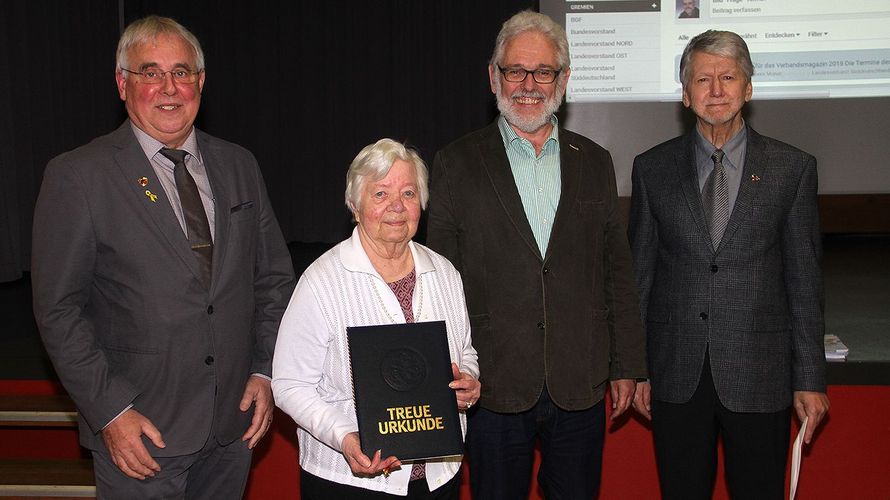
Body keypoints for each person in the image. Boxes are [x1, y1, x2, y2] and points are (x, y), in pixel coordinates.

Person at [31, 15, 295, 497]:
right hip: (141, 431)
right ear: (122, 84)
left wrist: (264, 369)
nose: (169, 87)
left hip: (231, 424)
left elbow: (272, 280)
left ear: (201, 81)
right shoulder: (78, 177)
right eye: (150, 73)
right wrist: (110, 411)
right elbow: (58, 310)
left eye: (182, 72)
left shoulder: (239, 165)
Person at [426, 10, 647, 499]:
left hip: (580, 380)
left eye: (543, 71)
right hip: (492, 384)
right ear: (493, 76)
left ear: (563, 78)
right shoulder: (456, 163)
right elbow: (437, 279)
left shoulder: (595, 162)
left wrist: (627, 364)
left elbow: (617, 272)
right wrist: (447, 365)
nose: (529, 84)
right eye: (514, 71)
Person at [628, 30, 829, 499]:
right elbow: (639, 278)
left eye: (727, 77)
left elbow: (804, 281)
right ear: (685, 93)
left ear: (748, 87)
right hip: (677, 375)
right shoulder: (651, 168)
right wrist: (635, 368)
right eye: (702, 79)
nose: (715, 90)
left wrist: (810, 378)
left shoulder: (792, 168)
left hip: (760, 375)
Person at [272, 139, 480, 499]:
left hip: (438, 477)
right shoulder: (322, 281)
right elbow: (290, 384)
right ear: (355, 206)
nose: (397, 207)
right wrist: (344, 436)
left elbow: (466, 351)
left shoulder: (445, 273)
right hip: (350, 481)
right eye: (381, 193)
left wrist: (470, 383)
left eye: (409, 193)